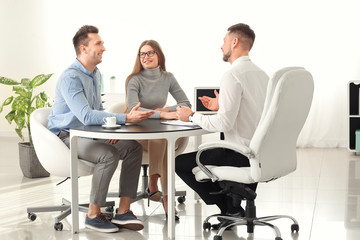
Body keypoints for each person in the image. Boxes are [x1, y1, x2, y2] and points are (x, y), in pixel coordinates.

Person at [47, 25, 154, 233]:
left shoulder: (96, 74)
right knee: (108, 154)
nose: (104, 47)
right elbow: (85, 115)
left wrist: (111, 130)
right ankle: (93, 215)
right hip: (68, 137)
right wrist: (125, 118)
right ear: (83, 48)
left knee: (133, 148)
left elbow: (98, 111)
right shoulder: (70, 78)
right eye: (99, 43)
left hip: (89, 134)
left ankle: (123, 212)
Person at [175, 23, 269, 228]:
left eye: (224, 41)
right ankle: (233, 205)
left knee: (181, 164)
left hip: (240, 154)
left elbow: (223, 123)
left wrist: (191, 116)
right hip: (262, 152)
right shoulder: (262, 75)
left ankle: (229, 209)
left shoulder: (232, 75)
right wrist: (221, 104)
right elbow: (252, 112)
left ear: (234, 42)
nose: (221, 46)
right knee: (211, 155)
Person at [125, 40, 191, 219]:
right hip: (137, 132)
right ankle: (165, 196)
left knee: (163, 140)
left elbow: (185, 103)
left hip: (160, 133)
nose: (145, 57)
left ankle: (154, 182)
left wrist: (166, 110)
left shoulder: (168, 77)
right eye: (142, 54)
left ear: (159, 55)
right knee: (163, 141)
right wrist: (160, 115)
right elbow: (134, 109)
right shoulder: (134, 80)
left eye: (150, 53)